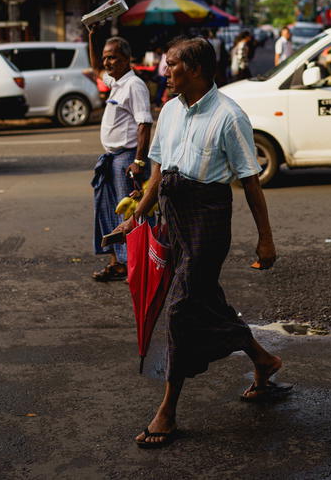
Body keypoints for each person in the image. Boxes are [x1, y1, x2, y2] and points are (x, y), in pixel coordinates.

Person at [112, 36, 290, 448]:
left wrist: (266, 240)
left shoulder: (230, 116)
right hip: (173, 219)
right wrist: (137, 214)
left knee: (181, 309)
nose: (164, 70)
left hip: (208, 221)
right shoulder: (170, 110)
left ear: (194, 69)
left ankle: (167, 410)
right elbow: (158, 173)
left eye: (171, 64)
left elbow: (250, 182)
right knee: (207, 301)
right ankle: (264, 361)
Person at [89, 27, 152, 281]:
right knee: (107, 211)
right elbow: (95, 69)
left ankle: (134, 266)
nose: (107, 62)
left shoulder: (134, 85)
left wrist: (138, 160)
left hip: (126, 159)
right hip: (111, 159)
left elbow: (144, 124)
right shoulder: (117, 82)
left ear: (127, 59)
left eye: (113, 57)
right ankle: (117, 263)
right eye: (106, 57)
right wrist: (92, 37)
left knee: (130, 214)